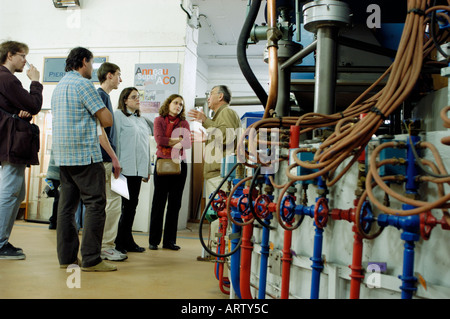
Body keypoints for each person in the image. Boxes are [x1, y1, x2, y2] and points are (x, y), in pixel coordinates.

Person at [51, 47, 116, 272]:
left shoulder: (59, 87)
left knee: (66, 208)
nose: (92, 68)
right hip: (84, 155)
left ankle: (67, 259)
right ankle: (91, 259)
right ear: (84, 61)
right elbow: (107, 120)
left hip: (63, 157)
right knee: (96, 204)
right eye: (92, 63)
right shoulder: (83, 84)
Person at [0, 41, 43, 260]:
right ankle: (0, 243)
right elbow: (34, 105)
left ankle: (2, 240)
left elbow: (24, 107)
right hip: (11, 142)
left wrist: (18, 110)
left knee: (16, 193)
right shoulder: (7, 78)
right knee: (10, 192)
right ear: (9, 55)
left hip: (8, 140)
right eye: (22, 56)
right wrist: (35, 81)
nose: (25, 60)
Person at [149, 94, 191, 251]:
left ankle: (169, 241)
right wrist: (176, 139)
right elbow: (159, 140)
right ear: (168, 104)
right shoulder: (158, 120)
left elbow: (187, 143)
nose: (178, 106)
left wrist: (170, 139)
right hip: (162, 163)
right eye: (175, 103)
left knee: (175, 204)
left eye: (181, 104)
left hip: (179, 165)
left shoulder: (184, 123)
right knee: (158, 203)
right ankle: (154, 241)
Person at [96, 62, 127, 262]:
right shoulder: (100, 97)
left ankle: (104, 245)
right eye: (118, 75)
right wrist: (114, 158)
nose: (120, 79)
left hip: (106, 159)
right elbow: (99, 132)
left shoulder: (104, 97)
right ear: (109, 76)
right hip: (105, 159)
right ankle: (106, 246)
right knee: (113, 202)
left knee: (110, 202)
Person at [114, 87, 151, 254]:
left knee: (131, 207)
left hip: (137, 171)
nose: (138, 100)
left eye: (138, 97)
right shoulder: (118, 116)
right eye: (134, 97)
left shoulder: (141, 121)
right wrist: (116, 163)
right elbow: (116, 142)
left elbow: (145, 147)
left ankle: (127, 239)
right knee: (121, 207)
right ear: (125, 100)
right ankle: (118, 241)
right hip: (123, 169)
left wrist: (147, 169)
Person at [188, 85, 241, 198]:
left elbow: (227, 136)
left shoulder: (226, 112)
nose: (208, 98)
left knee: (217, 213)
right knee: (215, 213)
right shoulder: (220, 116)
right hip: (218, 175)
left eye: (211, 94)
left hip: (220, 176)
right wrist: (207, 138)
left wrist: (205, 120)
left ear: (220, 96)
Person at [47, 151, 60, 230]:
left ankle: (53, 221)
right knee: (59, 199)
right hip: (58, 172)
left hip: (52, 173)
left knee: (57, 198)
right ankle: (54, 221)